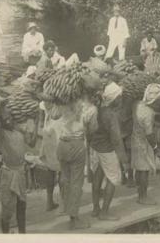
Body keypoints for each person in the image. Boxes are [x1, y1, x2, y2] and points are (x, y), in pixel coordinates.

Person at [0, 98, 37, 234]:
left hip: (20, 172)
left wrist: (36, 121)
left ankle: (22, 234)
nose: (9, 120)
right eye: (5, 118)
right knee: (6, 209)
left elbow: (32, 143)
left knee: (22, 205)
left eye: (11, 117)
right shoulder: (1, 134)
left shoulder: (19, 132)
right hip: (8, 173)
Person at [57, 96, 98, 230]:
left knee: (65, 179)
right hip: (76, 145)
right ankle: (74, 218)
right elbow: (93, 130)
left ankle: (67, 209)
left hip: (62, 144)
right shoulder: (89, 108)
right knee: (76, 182)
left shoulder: (61, 102)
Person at [89, 82, 129, 221]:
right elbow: (117, 140)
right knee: (113, 179)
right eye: (120, 97)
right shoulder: (111, 115)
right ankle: (104, 212)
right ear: (115, 99)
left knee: (97, 177)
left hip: (96, 148)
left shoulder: (99, 109)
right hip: (107, 150)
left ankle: (95, 208)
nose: (122, 99)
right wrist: (124, 160)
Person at [131, 83, 160, 205]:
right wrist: (156, 148)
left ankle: (139, 194)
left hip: (134, 140)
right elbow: (149, 134)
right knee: (145, 170)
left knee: (139, 170)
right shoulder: (149, 112)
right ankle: (143, 197)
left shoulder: (137, 104)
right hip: (144, 144)